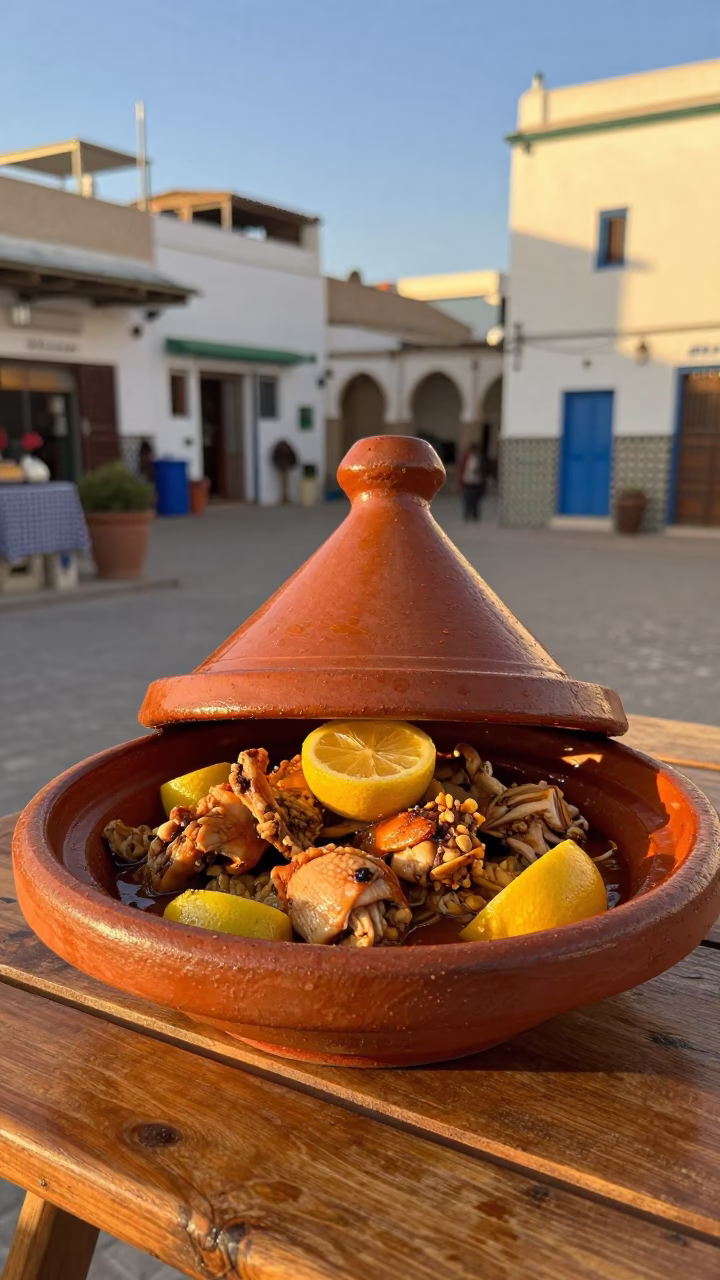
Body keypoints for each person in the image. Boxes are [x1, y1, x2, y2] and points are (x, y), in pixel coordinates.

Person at [459, 442, 485, 521]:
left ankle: (474, 514)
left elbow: (483, 469)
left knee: (475, 499)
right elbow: (462, 468)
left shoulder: (479, 458)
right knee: (467, 498)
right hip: (468, 481)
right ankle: (467, 513)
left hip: (476, 482)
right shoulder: (467, 458)